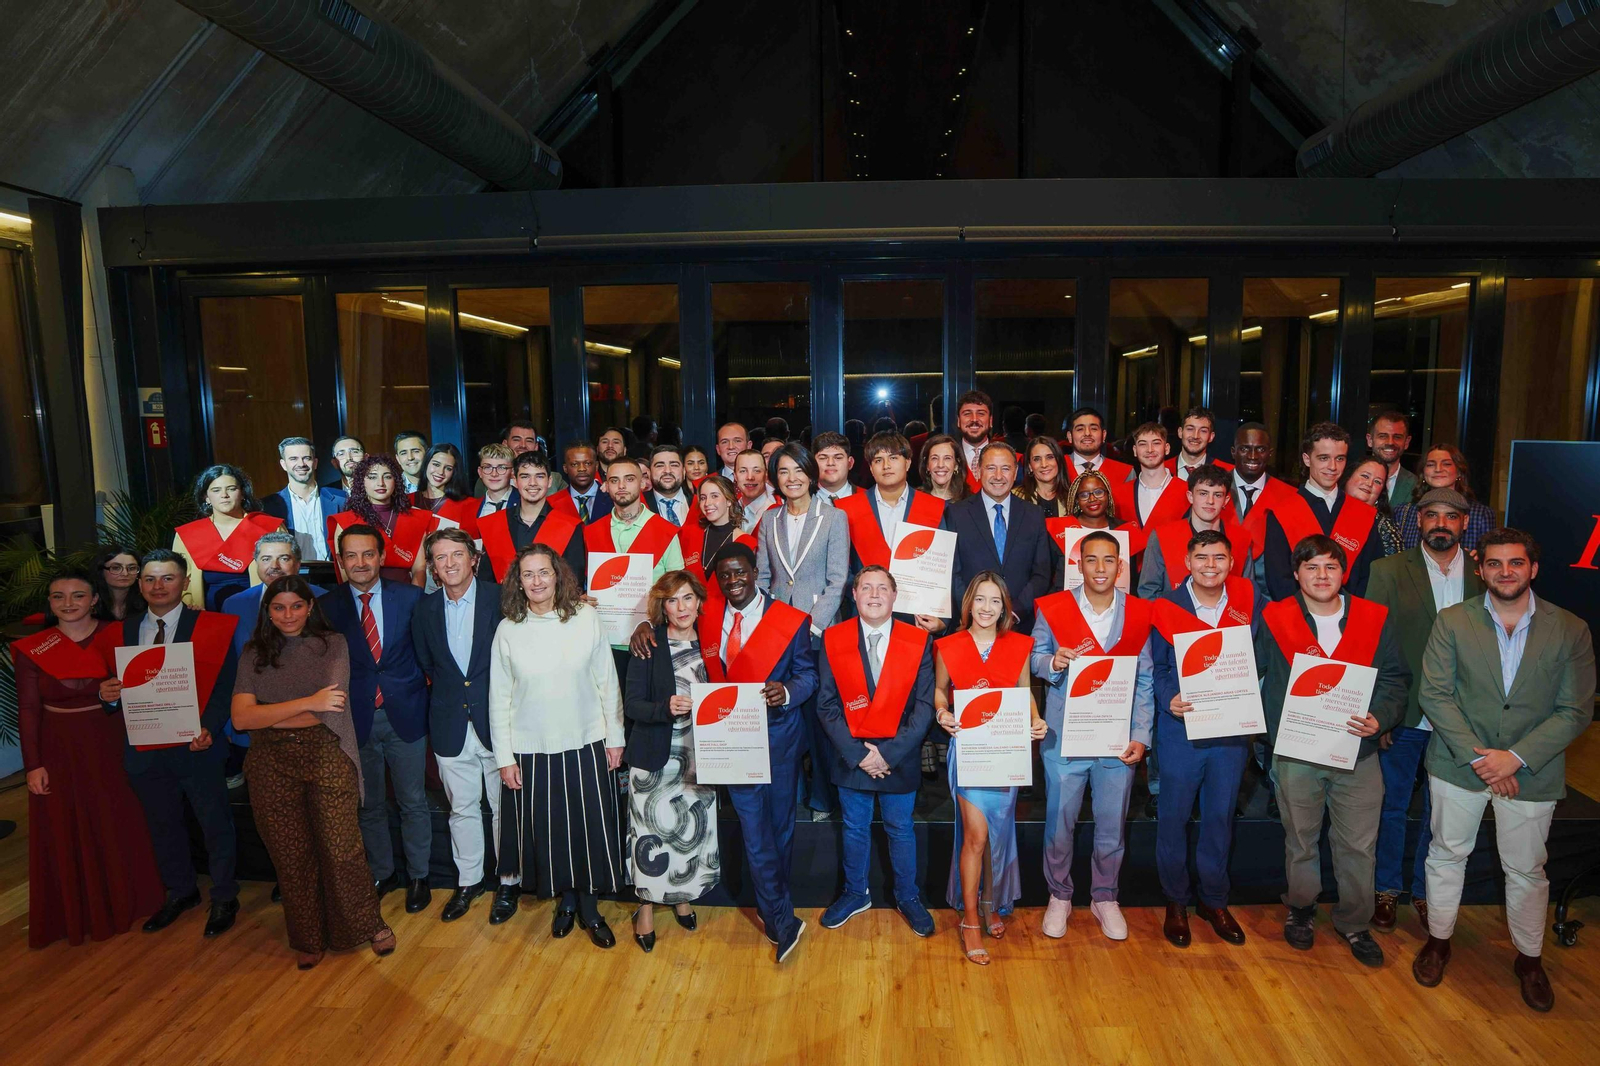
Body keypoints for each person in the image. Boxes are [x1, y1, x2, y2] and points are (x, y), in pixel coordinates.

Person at [1412, 528, 1595, 1012]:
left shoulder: (1571, 628)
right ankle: (1439, 941)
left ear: (1533, 569)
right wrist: (1482, 758)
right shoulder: (1452, 621)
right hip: (1458, 764)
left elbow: (1575, 710)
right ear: (1481, 570)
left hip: (1530, 771)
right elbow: (1435, 694)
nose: (1505, 572)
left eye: (1515, 563)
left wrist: (1513, 758)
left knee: (1527, 870)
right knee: (1447, 854)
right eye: (1495, 564)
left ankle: (1530, 959)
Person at [1257, 535, 1409, 966]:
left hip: (1357, 752)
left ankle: (1354, 922)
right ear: (1296, 574)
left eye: (1330, 567)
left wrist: (1381, 716)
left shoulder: (1373, 618)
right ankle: (1302, 910)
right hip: (1296, 752)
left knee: (1359, 845)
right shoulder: (1276, 618)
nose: (1321, 575)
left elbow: (1396, 678)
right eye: (1311, 567)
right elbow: (1252, 671)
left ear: (1344, 573)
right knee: (1300, 839)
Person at [230, 575, 394, 967]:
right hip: (270, 763)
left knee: (342, 850)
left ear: (310, 607)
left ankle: (367, 924)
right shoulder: (253, 653)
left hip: (327, 753)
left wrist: (267, 714)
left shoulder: (332, 644)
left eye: (296, 606)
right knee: (291, 855)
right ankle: (308, 936)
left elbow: (329, 709)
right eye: (278, 607)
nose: (288, 615)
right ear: (267, 612)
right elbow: (240, 719)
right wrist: (306, 703)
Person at [666, 542, 817, 962]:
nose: (733, 581)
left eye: (740, 573)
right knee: (755, 834)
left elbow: (808, 675)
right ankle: (781, 921)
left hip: (780, 741)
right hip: (733, 743)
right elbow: (670, 621)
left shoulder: (789, 621)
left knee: (780, 831)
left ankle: (777, 908)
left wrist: (786, 690)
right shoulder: (708, 618)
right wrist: (646, 627)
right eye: (725, 575)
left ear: (755, 572)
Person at [14, 571, 163, 948]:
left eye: (78, 595)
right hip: (57, 748)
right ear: (48, 602)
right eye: (58, 597)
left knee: (117, 819)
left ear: (94, 598)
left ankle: (128, 902)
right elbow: (29, 710)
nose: (68, 604)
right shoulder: (33, 647)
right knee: (66, 825)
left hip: (110, 741)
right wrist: (33, 764)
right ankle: (79, 911)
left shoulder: (120, 634)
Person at [99, 550, 241, 937]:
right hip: (145, 749)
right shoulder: (120, 632)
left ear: (183, 582)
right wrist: (109, 695)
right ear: (139, 584)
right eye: (150, 579)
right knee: (162, 825)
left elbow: (226, 685)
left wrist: (210, 726)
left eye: (167, 578)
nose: (158, 587)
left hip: (199, 744)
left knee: (214, 825)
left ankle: (225, 895)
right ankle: (181, 892)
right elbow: (113, 694)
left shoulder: (212, 626)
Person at [491, 544, 625, 949]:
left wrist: (615, 737)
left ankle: (590, 907)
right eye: (527, 574)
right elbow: (499, 698)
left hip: (586, 741)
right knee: (552, 834)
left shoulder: (585, 618)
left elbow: (607, 680)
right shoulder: (508, 629)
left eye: (543, 573)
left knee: (589, 831)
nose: (536, 581)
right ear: (518, 581)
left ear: (557, 575)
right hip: (532, 749)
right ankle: (565, 902)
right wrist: (504, 758)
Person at [1365, 488, 1484, 936]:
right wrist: (1382, 712)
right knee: (1391, 807)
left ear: (1464, 523)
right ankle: (1386, 891)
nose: (1441, 523)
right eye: (1431, 515)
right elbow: (1372, 645)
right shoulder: (1388, 570)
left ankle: (1427, 892)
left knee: (1444, 813)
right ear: (1418, 522)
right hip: (1404, 715)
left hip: (1462, 720)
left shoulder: (1483, 572)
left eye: (1450, 517)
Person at [1030, 532, 1155, 942]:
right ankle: (1060, 895)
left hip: (1116, 740)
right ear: (1078, 564)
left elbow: (1146, 680)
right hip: (1065, 737)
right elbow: (1033, 658)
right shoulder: (1054, 609)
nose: (1100, 569)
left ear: (1120, 567)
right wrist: (1053, 661)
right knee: (1059, 824)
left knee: (1111, 826)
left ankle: (1105, 896)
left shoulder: (1138, 612)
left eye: (1108, 561)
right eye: (1091, 560)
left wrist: (1141, 734)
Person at [1148, 530, 1262, 948]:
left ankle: (1214, 900)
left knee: (1219, 819)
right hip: (1182, 731)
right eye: (1202, 557)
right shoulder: (1167, 608)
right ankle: (1176, 901)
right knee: (1173, 820)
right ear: (1188, 562)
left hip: (1231, 734)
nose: (1210, 565)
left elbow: (1264, 658)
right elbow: (1157, 669)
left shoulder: (1250, 606)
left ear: (1232, 563)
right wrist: (1168, 698)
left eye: (1219, 557)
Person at [814, 567, 937, 937]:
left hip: (898, 756)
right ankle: (855, 893)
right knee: (854, 827)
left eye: (882, 587)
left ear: (895, 596)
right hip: (853, 757)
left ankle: (908, 896)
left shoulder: (918, 641)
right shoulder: (834, 639)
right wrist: (861, 755)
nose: (874, 594)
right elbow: (826, 705)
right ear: (853, 594)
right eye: (866, 587)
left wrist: (890, 754)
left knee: (901, 829)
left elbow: (925, 706)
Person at [316, 525, 432, 915]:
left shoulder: (413, 597)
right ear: (340, 561)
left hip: (407, 715)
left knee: (413, 802)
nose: (361, 563)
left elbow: (428, 654)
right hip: (354, 719)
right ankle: (383, 873)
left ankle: (419, 876)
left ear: (382, 557)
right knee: (369, 805)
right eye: (351, 555)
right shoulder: (326, 607)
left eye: (368, 554)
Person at [934, 572, 1044, 964]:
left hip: (1006, 752)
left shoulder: (1018, 645)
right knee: (976, 837)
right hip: (969, 751)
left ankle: (989, 902)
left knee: (997, 836)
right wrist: (942, 712)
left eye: (994, 600)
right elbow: (939, 691)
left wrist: (1036, 719)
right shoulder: (948, 645)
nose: (986, 607)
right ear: (969, 604)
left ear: (1005, 607)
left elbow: (1023, 691)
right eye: (979, 599)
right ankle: (970, 921)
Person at [412, 529, 519, 924]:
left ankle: (509, 881)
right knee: (462, 809)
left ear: (474, 559)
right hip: (449, 722)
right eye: (441, 558)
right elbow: (428, 664)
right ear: (434, 567)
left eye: (458, 555)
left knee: (503, 808)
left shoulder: (501, 598)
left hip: (497, 723)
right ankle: (470, 881)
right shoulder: (423, 610)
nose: (450, 563)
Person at [623, 571, 721, 952]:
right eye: (672, 600)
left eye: (687, 598)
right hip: (655, 755)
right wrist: (664, 707)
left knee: (691, 831)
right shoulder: (649, 643)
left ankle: (681, 895)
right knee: (650, 832)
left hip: (701, 754)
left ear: (699, 601)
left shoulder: (714, 644)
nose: (681, 607)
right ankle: (645, 905)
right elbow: (631, 705)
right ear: (662, 606)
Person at [756, 442, 849, 817]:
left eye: (798, 470)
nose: (791, 478)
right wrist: (770, 626)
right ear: (775, 478)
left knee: (820, 719)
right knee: (781, 715)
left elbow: (838, 578)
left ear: (812, 475)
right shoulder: (768, 519)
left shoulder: (834, 518)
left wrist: (810, 624)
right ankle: (789, 797)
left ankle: (823, 800)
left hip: (818, 632)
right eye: (783, 471)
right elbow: (764, 577)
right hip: (776, 635)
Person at [1259, 423, 1384, 600]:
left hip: (1351, 616)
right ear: (1307, 459)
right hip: (1299, 617)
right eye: (1324, 458)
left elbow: (1370, 575)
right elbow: (1278, 579)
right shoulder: (1282, 512)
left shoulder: (1363, 514)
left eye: (1340, 458)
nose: (1332, 466)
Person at [585, 456, 685, 673]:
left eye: (629, 479)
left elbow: (678, 589)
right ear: (605, 486)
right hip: (601, 641)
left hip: (652, 639)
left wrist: (650, 622)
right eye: (614, 480)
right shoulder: (590, 532)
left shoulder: (665, 531)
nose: (621, 486)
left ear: (643, 483)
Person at [832, 432, 947, 621]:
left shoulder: (934, 508)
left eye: (893, 458)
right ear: (870, 467)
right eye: (878, 460)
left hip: (919, 618)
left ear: (908, 462)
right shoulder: (846, 510)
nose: (886, 466)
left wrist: (942, 618)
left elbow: (943, 571)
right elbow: (841, 571)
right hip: (864, 615)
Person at [948, 442, 1052, 638]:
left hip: (1021, 626)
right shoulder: (956, 514)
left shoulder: (1033, 514)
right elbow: (953, 572)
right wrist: (975, 611)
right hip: (971, 628)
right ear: (978, 471)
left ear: (1015, 473)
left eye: (1005, 468)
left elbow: (1042, 573)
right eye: (990, 468)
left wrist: (1014, 612)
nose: (998, 476)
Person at [173, 464, 285, 611]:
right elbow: (179, 581)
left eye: (231, 489)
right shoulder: (188, 534)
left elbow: (286, 572)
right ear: (206, 497)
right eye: (216, 490)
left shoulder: (269, 528)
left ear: (243, 493)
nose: (224, 495)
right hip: (207, 617)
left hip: (259, 614)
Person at [1138, 465, 1256, 598]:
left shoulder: (1241, 539)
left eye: (1217, 495)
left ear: (1226, 501)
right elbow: (1148, 591)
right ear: (1190, 496)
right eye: (1203, 493)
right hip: (1173, 616)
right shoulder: (1162, 536)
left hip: (1225, 617)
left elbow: (1248, 593)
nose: (1210, 501)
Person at [326, 454, 436, 587]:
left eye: (388, 477)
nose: (380, 483)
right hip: (362, 599)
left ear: (396, 481)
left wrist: (411, 601)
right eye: (372, 477)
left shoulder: (415, 518)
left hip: (405, 595)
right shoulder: (346, 520)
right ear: (362, 482)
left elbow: (419, 569)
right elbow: (346, 573)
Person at [477, 450, 585, 584]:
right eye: (525, 476)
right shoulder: (494, 524)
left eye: (539, 476)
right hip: (502, 603)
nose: (532, 483)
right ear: (515, 481)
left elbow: (574, 582)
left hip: (554, 603)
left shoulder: (570, 527)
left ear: (549, 481)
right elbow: (485, 582)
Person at [221, 531, 324, 655]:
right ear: (256, 564)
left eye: (284, 558)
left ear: (297, 564)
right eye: (266, 559)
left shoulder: (324, 599)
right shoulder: (233, 605)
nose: (274, 565)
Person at [1393, 443, 1497, 552]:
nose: (1438, 469)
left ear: (1459, 472)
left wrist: (1479, 559)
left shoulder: (1481, 514)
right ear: (1423, 473)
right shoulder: (1403, 512)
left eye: (1446, 464)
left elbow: (1491, 556)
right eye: (1430, 464)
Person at [261, 437, 346, 562]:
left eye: (307, 458)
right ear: (283, 464)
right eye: (293, 459)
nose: (301, 464)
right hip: (292, 576)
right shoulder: (268, 506)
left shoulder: (340, 500)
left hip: (333, 575)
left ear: (315, 463)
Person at [675, 474, 756, 605]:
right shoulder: (689, 534)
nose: (707, 503)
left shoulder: (746, 542)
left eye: (714, 496)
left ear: (729, 500)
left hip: (726, 615)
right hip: (688, 613)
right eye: (703, 498)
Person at [1124, 422, 1189, 532]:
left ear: (1167, 448)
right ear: (1135, 450)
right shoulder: (1120, 494)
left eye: (1156, 443)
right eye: (1143, 444)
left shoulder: (1186, 492)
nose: (1150, 449)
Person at [1227, 422, 1295, 522]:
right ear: (1233, 452)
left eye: (1261, 449)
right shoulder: (1214, 488)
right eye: (1244, 449)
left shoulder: (1289, 496)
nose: (1252, 456)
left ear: (1270, 453)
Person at [1343, 457, 1404, 556]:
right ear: (1348, 477)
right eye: (1365, 476)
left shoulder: (1386, 529)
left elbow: (1396, 568)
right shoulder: (1327, 509)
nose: (1369, 483)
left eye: (1377, 482)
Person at [411, 443, 480, 532]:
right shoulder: (407, 501)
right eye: (436, 464)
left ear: (454, 472)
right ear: (426, 464)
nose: (440, 472)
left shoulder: (468, 505)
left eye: (448, 468)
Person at [1062, 407, 1133, 484]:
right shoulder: (1057, 467)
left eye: (1094, 429)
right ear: (1070, 436)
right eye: (1080, 429)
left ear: (1104, 435)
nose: (1087, 433)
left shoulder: (1125, 472)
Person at [1366, 409, 1417, 507]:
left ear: (1406, 442)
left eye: (1397, 437)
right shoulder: (1350, 480)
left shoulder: (1415, 485)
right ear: (1370, 440)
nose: (1390, 442)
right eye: (1382, 436)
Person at [551, 442, 612, 524]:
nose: (582, 469)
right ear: (565, 468)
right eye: (575, 464)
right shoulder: (552, 503)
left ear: (596, 466)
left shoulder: (612, 498)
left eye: (587, 463)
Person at [1167, 407, 1231, 482]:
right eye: (1190, 429)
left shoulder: (1227, 472)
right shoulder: (1163, 469)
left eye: (1203, 431)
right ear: (1180, 432)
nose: (1195, 436)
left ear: (1211, 437)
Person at [1014, 437, 1073, 519]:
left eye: (1050, 457)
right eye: (1037, 459)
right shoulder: (1016, 498)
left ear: (1059, 461)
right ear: (1030, 466)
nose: (1044, 464)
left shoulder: (1073, 498)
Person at [953, 390, 994, 495]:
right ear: (958, 421)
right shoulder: (948, 457)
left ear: (990, 421)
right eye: (967, 414)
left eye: (981, 413)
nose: (974, 419)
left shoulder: (1009, 458)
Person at [91, 545, 146, 620]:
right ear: (101, 571)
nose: (125, 573)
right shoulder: (91, 602)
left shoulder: (147, 601)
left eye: (132, 568)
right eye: (116, 568)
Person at [644, 444, 692, 526]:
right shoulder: (639, 506)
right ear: (649, 473)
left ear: (684, 472)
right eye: (660, 465)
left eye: (674, 465)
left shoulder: (700, 504)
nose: (667, 471)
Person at [732, 447, 775, 531]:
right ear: (735, 476)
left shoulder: (775, 515)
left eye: (757, 471)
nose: (750, 477)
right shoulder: (729, 510)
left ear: (766, 475)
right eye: (743, 471)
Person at [919, 433, 969, 503]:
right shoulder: (915, 501)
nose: (940, 465)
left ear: (956, 465)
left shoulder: (968, 503)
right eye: (934, 458)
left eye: (947, 458)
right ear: (927, 465)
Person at [475, 444, 518, 517]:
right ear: (480, 472)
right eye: (487, 467)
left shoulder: (525, 504)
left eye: (501, 467)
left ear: (512, 472)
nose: (494, 474)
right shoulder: (470, 509)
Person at [813, 431, 856, 502]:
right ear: (812, 463)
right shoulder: (802, 499)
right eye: (823, 458)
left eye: (838, 458)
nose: (830, 463)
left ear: (850, 463)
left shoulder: (869, 499)